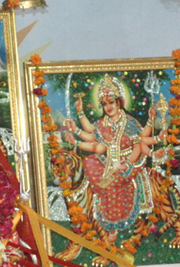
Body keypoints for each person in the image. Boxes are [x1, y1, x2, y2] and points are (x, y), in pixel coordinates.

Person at [62, 76, 159, 239]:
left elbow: (138, 145)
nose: (108, 107)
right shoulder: (103, 123)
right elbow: (92, 136)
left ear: (119, 102)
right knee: (89, 162)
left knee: (111, 186)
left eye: (111, 102)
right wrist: (77, 124)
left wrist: (126, 164)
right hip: (108, 163)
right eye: (104, 104)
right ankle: (92, 211)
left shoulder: (130, 122)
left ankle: (113, 227)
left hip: (129, 164)